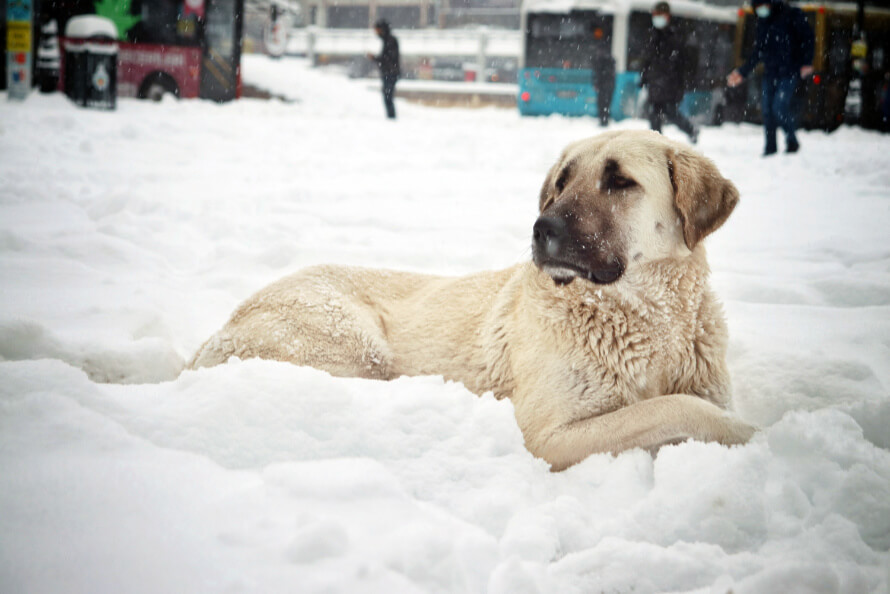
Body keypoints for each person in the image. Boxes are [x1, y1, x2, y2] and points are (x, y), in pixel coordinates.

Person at [727, 0, 814, 155]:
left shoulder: (791, 15)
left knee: (779, 107)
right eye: (757, 8)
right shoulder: (763, 22)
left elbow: (808, 38)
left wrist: (807, 62)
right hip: (770, 72)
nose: (760, 10)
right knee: (767, 111)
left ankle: (791, 140)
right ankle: (770, 147)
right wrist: (742, 72)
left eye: (762, 6)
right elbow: (758, 51)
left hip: (789, 71)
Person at [639, 1, 698, 143]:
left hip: (670, 84)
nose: (656, 17)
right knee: (654, 115)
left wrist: (681, 84)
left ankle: (691, 129)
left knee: (671, 113)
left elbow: (682, 64)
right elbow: (648, 59)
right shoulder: (652, 34)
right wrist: (644, 77)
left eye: (659, 14)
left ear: (667, 16)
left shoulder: (675, 37)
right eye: (654, 15)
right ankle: (657, 143)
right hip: (655, 82)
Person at [366, 19, 401, 119]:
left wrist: (374, 58)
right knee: (387, 96)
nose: (375, 33)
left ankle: (391, 117)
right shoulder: (387, 40)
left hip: (390, 73)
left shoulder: (390, 40)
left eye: (376, 30)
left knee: (387, 96)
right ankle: (391, 117)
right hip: (389, 72)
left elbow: (388, 58)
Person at [590, 26, 616, 127]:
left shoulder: (601, 58)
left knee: (603, 102)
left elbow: (597, 72)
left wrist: (596, 82)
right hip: (608, 84)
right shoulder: (608, 58)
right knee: (605, 102)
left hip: (605, 84)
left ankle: (603, 120)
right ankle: (604, 119)